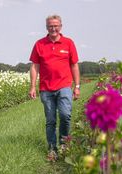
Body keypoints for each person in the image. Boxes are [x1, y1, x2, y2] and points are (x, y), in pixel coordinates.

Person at [28, 14, 80, 161]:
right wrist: (32, 86)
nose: (53, 28)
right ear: (46, 27)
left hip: (64, 86)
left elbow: (74, 65)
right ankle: (52, 149)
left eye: (56, 25)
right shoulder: (39, 44)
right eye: (50, 26)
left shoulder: (68, 43)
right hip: (46, 88)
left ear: (60, 26)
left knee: (65, 115)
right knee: (50, 120)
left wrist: (77, 86)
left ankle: (64, 144)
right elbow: (34, 66)